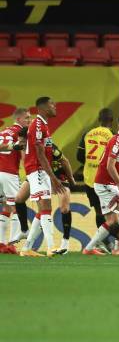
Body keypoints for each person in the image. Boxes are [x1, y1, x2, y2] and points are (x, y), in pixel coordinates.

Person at [83, 114, 119, 255]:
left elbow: (117, 166)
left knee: (112, 221)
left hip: (103, 184)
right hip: (105, 184)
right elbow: (110, 166)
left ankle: (89, 249)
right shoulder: (116, 141)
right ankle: (118, 248)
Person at [20, 97, 65, 257]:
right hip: (37, 169)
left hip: (41, 170)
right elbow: (39, 153)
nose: (55, 106)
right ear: (43, 108)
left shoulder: (43, 125)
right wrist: (53, 176)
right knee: (45, 206)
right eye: (52, 104)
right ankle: (51, 246)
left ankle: (27, 249)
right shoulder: (38, 125)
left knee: (43, 209)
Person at [76, 108, 114, 232]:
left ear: (98, 120)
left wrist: (91, 165)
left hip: (90, 179)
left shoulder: (88, 134)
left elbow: (79, 156)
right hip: (105, 180)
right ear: (112, 121)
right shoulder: (113, 136)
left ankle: (103, 242)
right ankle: (112, 242)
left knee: (99, 211)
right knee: (111, 211)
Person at [0, 108, 30, 254]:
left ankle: (1, 243)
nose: (29, 121)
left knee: (5, 207)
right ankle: (12, 244)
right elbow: (24, 155)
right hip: (9, 172)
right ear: (18, 119)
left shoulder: (4, 131)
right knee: (16, 207)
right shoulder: (22, 133)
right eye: (27, 118)